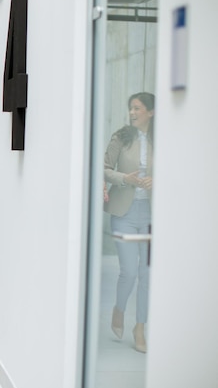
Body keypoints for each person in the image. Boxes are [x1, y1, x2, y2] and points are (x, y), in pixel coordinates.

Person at [104, 92, 154, 353]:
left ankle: (140, 328)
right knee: (130, 272)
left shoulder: (163, 140)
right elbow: (103, 168)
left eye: (138, 108)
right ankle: (119, 309)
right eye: (130, 108)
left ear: (151, 112)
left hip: (151, 214)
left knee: (147, 274)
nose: (132, 113)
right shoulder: (121, 137)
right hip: (124, 212)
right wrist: (126, 178)